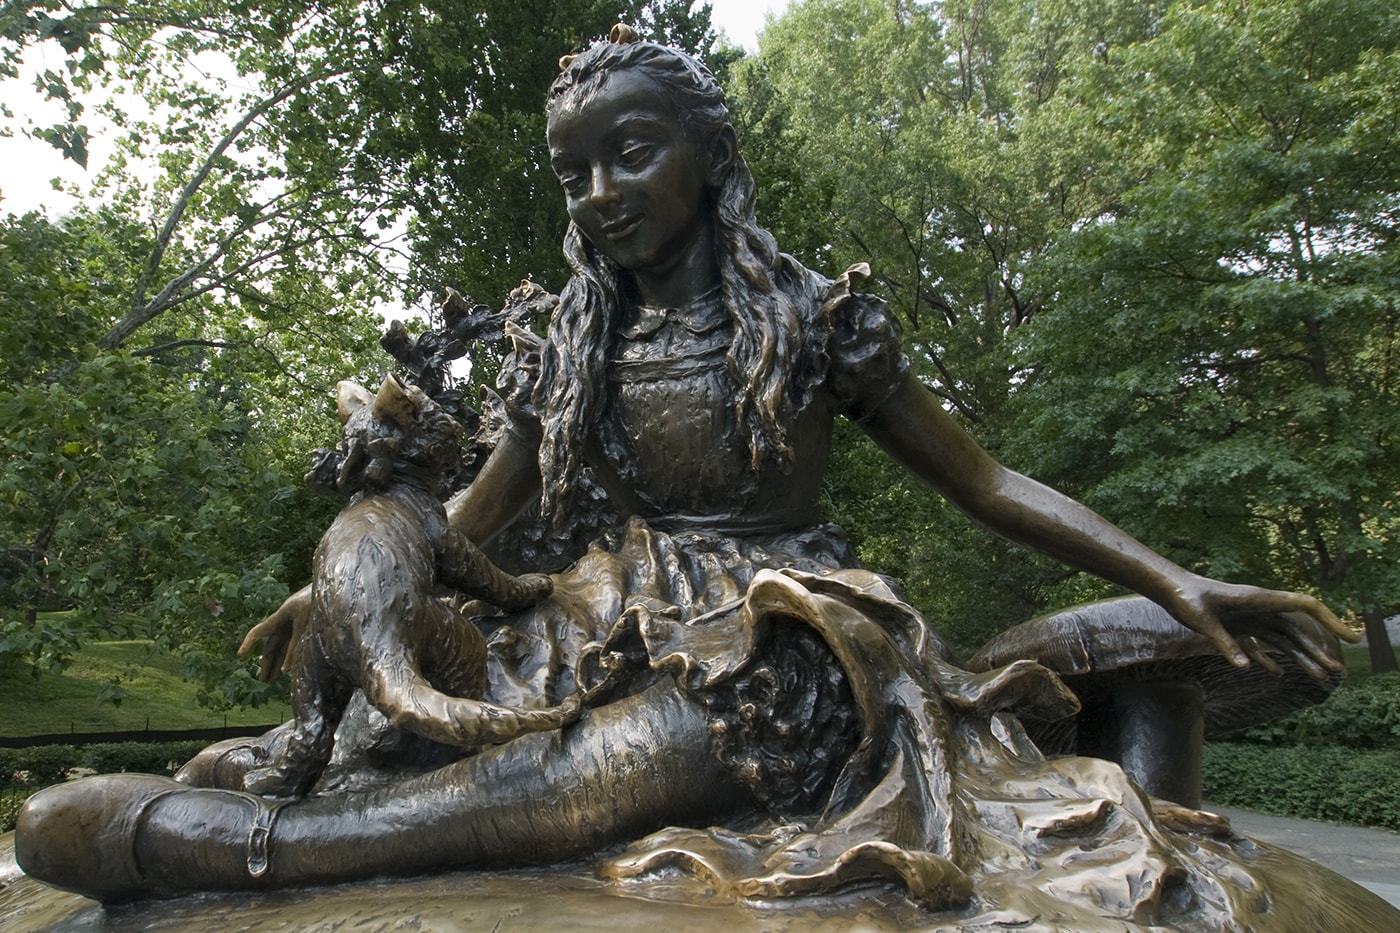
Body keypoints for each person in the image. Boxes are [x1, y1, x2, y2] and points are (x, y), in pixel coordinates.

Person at [15, 25, 1387, 929]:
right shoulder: (568, 339)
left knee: (590, 779)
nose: (602, 189)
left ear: (708, 154)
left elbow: (989, 484)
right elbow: (473, 522)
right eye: (576, 169)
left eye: (632, 150)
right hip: (588, 614)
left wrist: (1173, 574)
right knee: (465, 703)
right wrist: (351, 569)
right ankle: (274, 802)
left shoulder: (811, 319)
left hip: (774, 629)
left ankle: (237, 848)